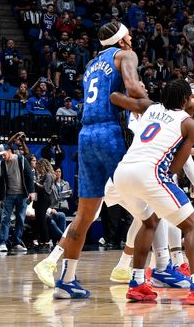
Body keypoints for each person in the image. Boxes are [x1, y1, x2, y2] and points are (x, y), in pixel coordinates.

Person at [35, 21, 147, 298]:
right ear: (121, 41)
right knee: (149, 211)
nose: (132, 40)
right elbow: (133, 89)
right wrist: (148, 100)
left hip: (85, 135)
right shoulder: (126, 55)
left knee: (84, 215)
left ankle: (66, 280)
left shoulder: (92, 64)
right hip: (109, 131)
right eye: (129, 36)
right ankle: (138, 279)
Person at [111, 79, 194, 304]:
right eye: (192, 96)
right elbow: (175, 167)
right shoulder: (191, 125)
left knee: (149, 222)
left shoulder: (151, 107)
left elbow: (115, 98)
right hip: (150, 173)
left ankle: (136, 283)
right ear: (184, 99)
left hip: (122, 173)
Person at [0, 144, 36, 253]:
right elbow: (1, 182)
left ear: (9, 151)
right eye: (0, 155)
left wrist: (31, 192)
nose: (2, 157)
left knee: (20, 219)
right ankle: (3, 243)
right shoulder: (1, 164)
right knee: (5, 218)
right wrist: (1, 197)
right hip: (9, 195)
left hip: (22, 194)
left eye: (3, 154)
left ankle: (17, 243)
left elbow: (29, 175)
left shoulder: (21, 160)